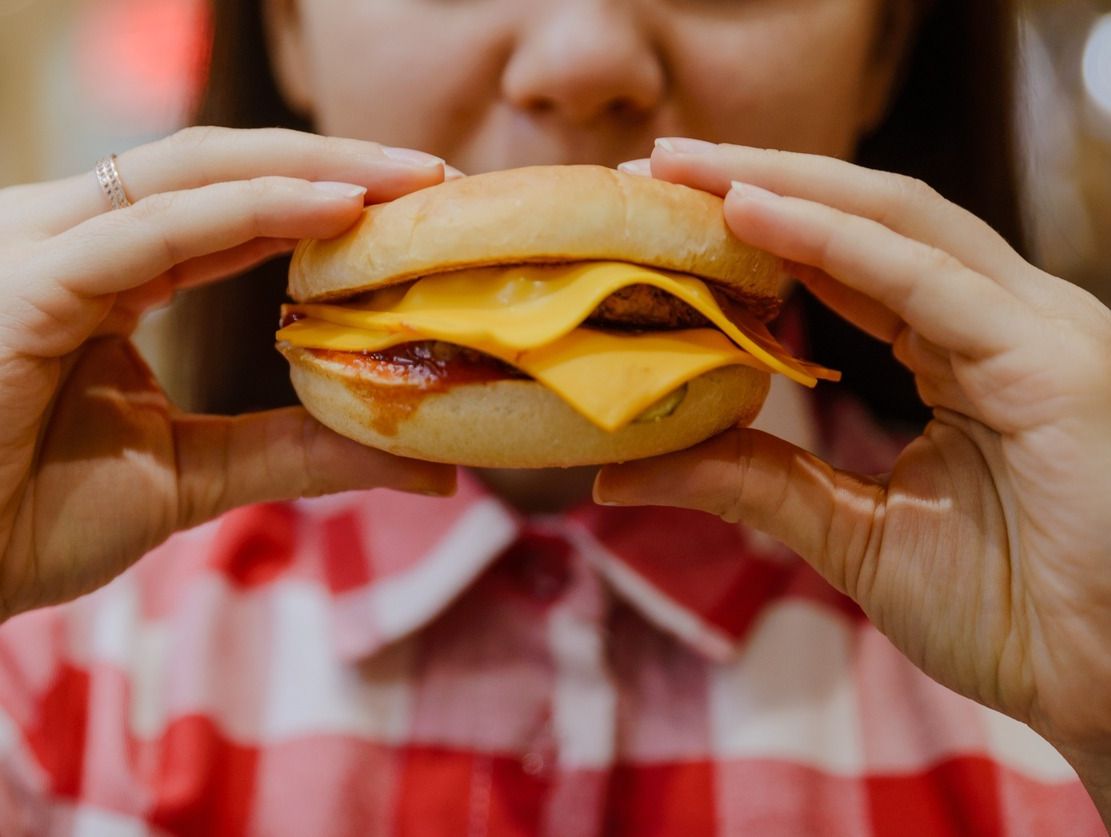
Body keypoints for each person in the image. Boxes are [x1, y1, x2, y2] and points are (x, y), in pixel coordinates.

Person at [0, 0, 1108, 833]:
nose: (583, 59)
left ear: (885, 45)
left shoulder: (1053, 679)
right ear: (286, 28)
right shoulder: (49, 677)